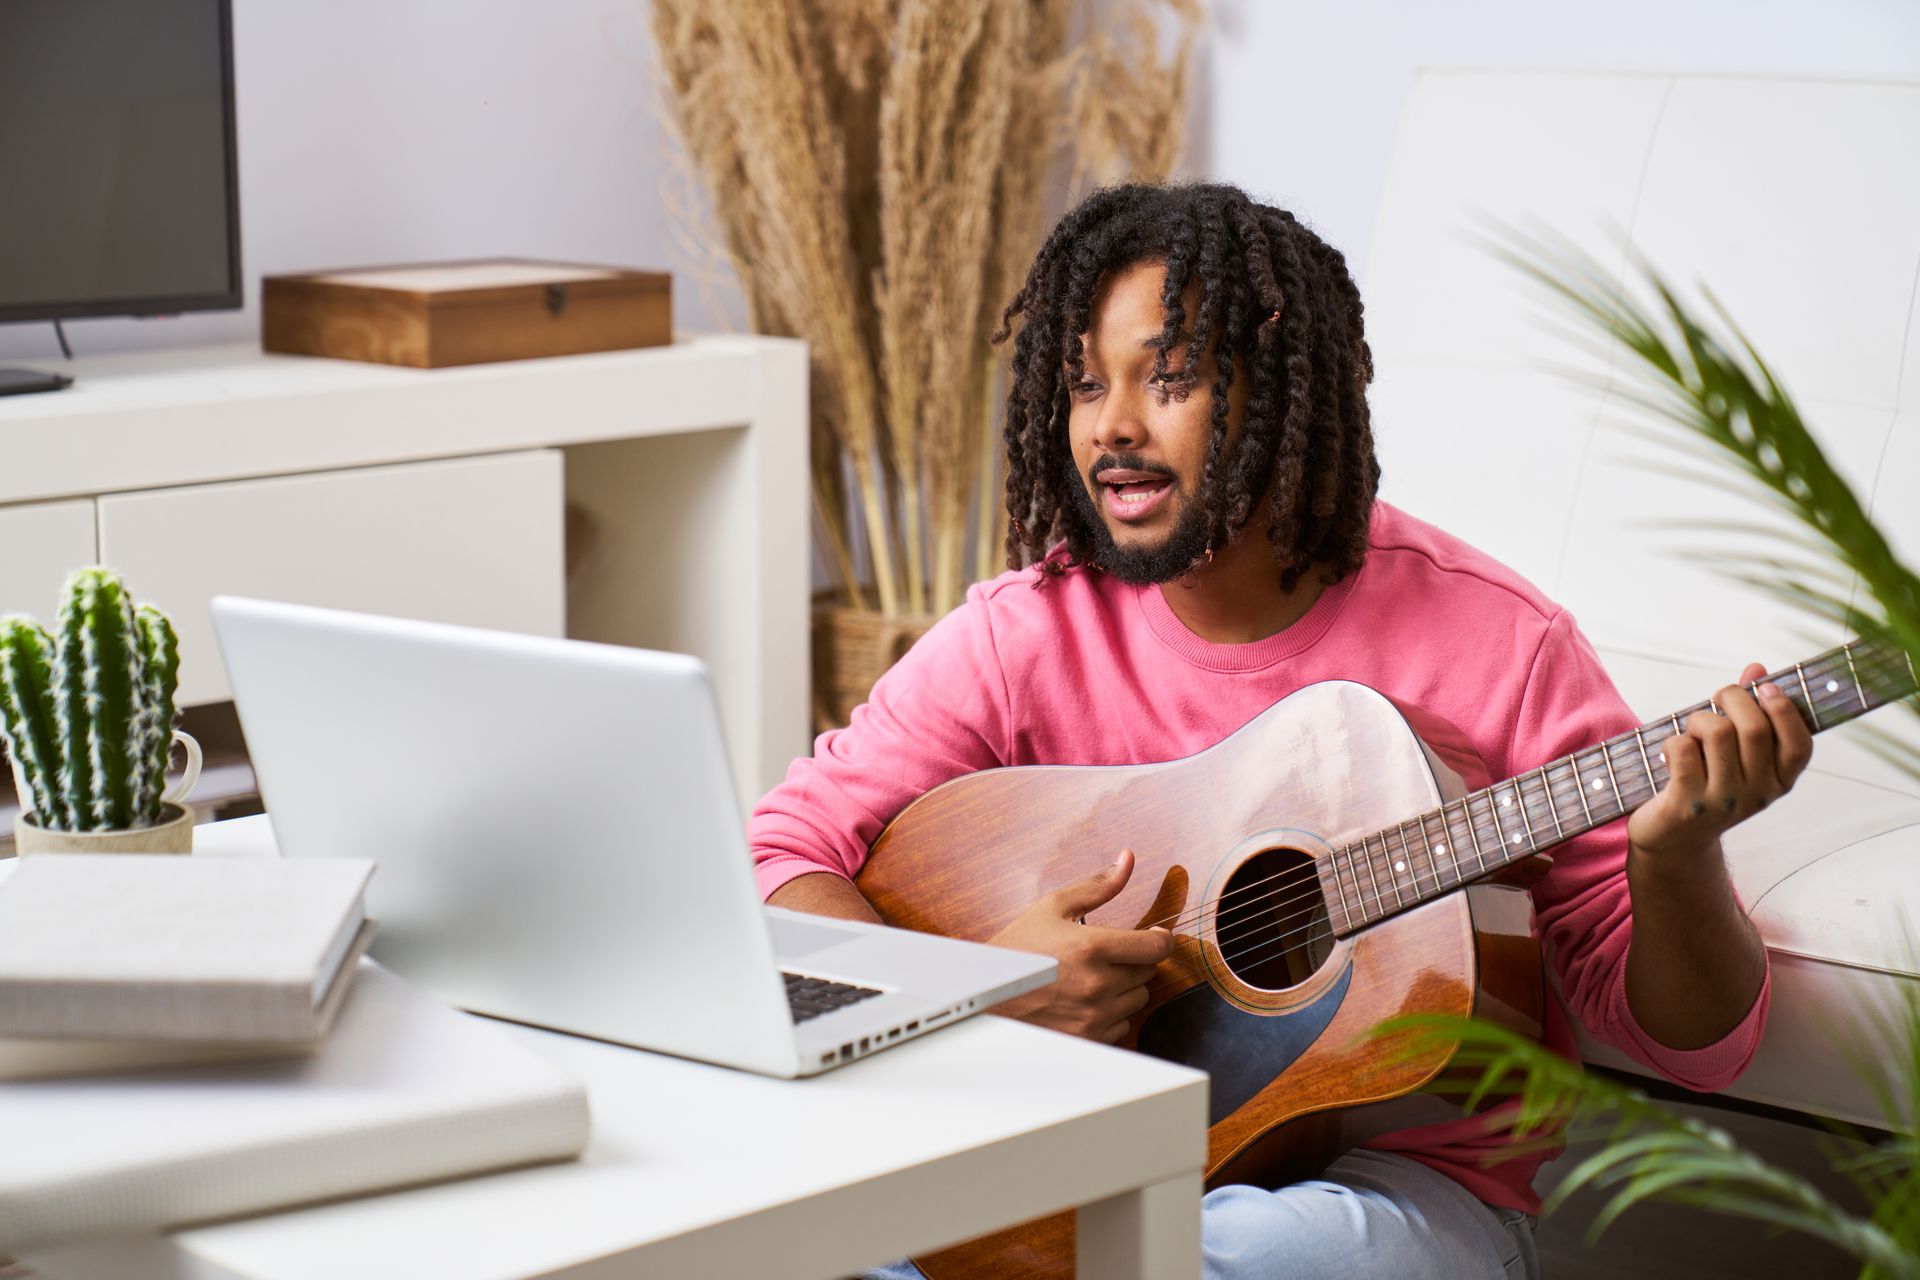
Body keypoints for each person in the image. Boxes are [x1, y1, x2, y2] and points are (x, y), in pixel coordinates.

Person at [749, 181, 1810, 1279]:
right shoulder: (1024, 634)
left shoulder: (1503, 642)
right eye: (1081, 383)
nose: (1111, 423)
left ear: (1286, 392)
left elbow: (1695, 1047)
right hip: (1078, 1165)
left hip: (1394, 1195)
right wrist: (977, 991)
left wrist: (1676, 856)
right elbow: (781, 854)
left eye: (1171, 378)